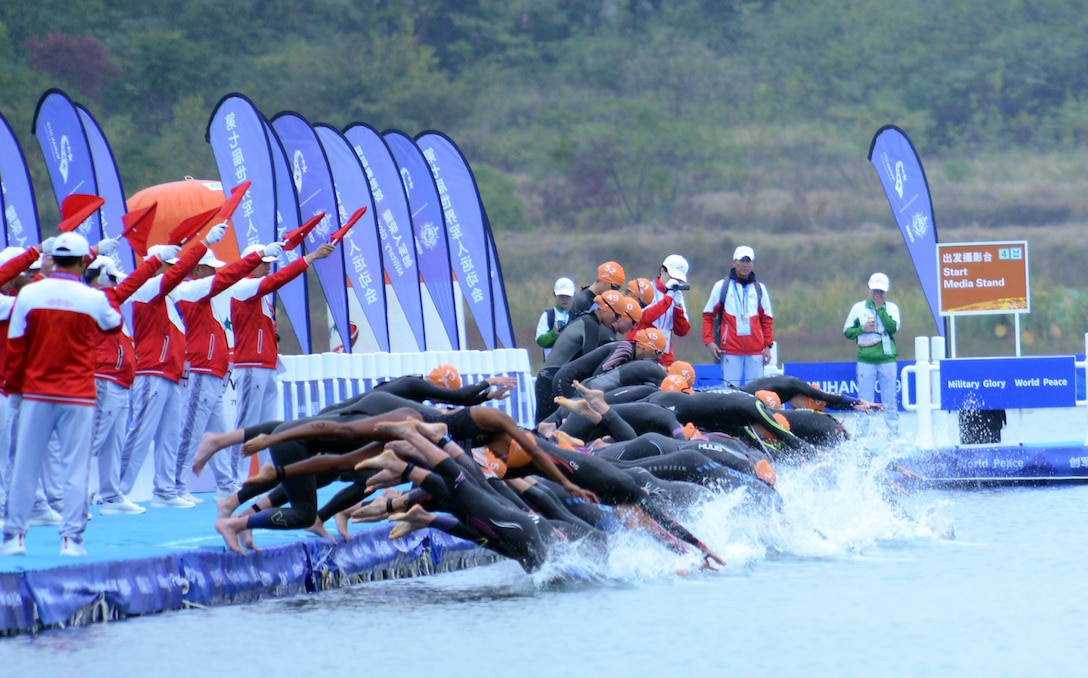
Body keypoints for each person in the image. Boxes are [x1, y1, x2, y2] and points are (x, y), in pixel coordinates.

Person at [1, 232, 123, 557]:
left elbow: (16, 347)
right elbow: (114, 324)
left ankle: (14, 537)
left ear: (51, 259)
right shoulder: (92, 298)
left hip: (37, 393)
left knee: (25, 465)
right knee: (74, 468)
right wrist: (103, 288)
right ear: (85, 262)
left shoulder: (30, 294)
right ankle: (71, 540)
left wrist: (14, 392)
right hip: (78, 395)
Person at [702, 245, 774, 386]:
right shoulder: (721, 286)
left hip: (755, 351)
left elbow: (767, 320)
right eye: (741, 261)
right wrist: (709, 341)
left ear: (752, 264)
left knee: (756, 393)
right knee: (730, 392)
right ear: (734, 262)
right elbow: (708, 315)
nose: (745, 265)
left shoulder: (760, 289)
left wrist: (767, 346)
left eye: (748, 261)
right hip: (730, 350)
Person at [843, 272, 900, 437]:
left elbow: (893, 327)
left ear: (886, 292)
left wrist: (880, 308)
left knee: (890, 401)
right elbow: (847, 332)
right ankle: (861, 440)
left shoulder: (891, 308)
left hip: (887, 359)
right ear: (869, 288)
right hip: (866, 361)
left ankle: (893, 439)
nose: (877, 294)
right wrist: (863, 329)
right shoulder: (858, 308)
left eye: (881, 291)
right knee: (864, 401)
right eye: (875, 290)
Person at [636, 254, 690, 367]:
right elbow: (645, 318)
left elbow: (682, 331)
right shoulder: (647, 288)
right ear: (662, 271)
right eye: (673, 277)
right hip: (643, 348)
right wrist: (668, 299)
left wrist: (678, 307)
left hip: (665, 352)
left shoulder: (677, 295)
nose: (675, 282)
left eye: (679, 280)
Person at [535, 277, 576, 358]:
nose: (564, 299)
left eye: (567, 296)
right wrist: (553, 334)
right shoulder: (548, 315)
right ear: (555, 295)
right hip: (551, 364)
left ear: (574, 295)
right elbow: (540, 341)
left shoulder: (579, 314)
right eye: (561, 296)